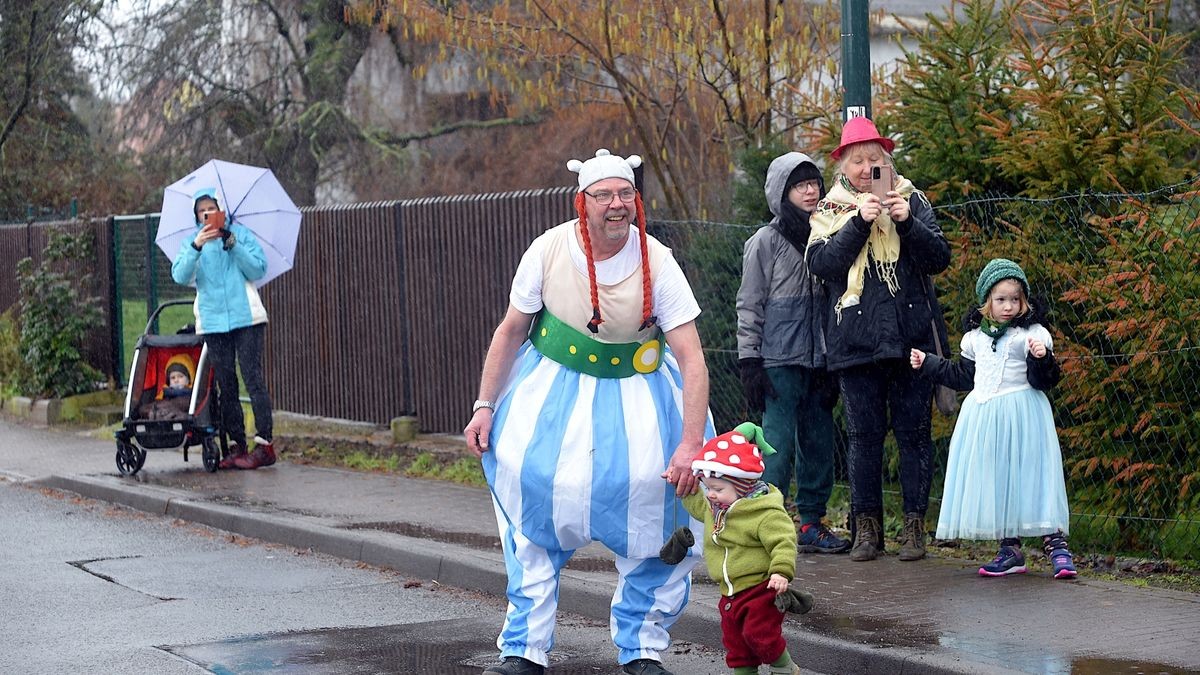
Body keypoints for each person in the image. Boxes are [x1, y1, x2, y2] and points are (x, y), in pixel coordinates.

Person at [463, 149, 713, 675]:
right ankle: (523, 649)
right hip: (551, 398)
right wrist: (485, 405)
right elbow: (510, 331)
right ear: (584, 202)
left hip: (642, 399)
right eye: (604, 195)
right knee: (534, 503)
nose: (616, 205)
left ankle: (643, 648)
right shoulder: (549, 249)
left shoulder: (658, 260)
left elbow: (691, 356)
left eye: (625, 195)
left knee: (659, 508)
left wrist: (691, 443)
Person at [804, 117, 950, 562]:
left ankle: (913, 531)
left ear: (888, 162)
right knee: (863, 438)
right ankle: (866, 531)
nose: (868, 168)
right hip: (856, 343)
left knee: (914, 436)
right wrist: (858, 224)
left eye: (875, 160)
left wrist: (906, 224)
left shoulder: (912, 200)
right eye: (859, 160)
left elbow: (939, 258)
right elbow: (822, 265)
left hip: (911, 339)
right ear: (843, 167)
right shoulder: (831, 210)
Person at [910, 258, 1076, 579]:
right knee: (999, 479)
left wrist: (1042, 358)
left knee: (1033, 475)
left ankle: (1057, 546)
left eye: (1016, 299)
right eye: (1001, 299)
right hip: (986, 418)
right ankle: (1009, 549)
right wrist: (929, 362)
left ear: (1024, 301)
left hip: (1024, 416)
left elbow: (1046, 379)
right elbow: (962, 375)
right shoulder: (975, 338)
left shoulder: (1032, 334)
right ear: (987, 301)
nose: (1009, 306)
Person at [736, 151, 848, 554]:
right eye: (800, 185)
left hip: (820, 359)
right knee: (777, 445)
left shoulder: (830, 235)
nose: (810, 191)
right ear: (782, 193)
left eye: (815, 183)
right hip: (778, 360)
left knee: (818, 442)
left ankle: (812, 524)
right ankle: (769, 520)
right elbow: (749, 304)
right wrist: (749, 360)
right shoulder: (763, 242)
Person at [681, 422, 814, 675]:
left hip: (760, 588)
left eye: (717, 489)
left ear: (742, 486)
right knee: (736, 645)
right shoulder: (717, 508)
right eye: (708, 488)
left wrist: (781, 572)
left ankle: (785, 667)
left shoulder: (763, 512)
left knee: (759, 634)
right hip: (729, 592)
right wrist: (684, 487)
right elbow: (698, 507)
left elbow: (783, 541)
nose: (710, 494)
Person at [171, 190, 276, 470]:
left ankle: (265, 444)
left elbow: (258, 269)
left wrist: (234, 244)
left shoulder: (239, 235)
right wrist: (196, 246)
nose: (207, 214)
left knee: (252, 378)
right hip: (213, 322)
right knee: (226, 385)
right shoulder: (191, 243)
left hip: (248, 319)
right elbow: (180, 275)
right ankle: (236, 445)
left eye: (212, 209)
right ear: (196, 217)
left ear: (222, 211)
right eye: (201, 211)